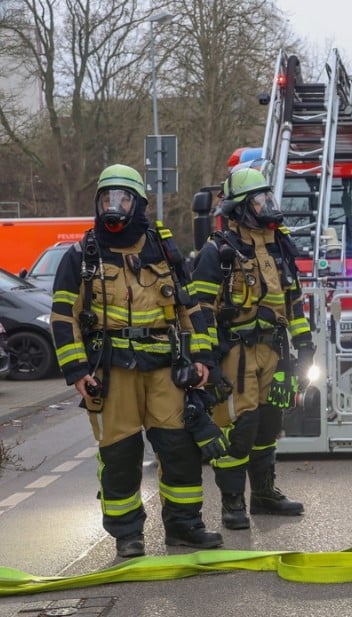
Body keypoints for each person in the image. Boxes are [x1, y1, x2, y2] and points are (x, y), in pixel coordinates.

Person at [50, 164, 223, 557]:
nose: (114, 205)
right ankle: (128, 534)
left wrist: (202, 358)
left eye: (122, 198)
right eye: (106, 197)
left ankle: (184, 526)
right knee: (121, 454)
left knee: (180, 449)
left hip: (164, 368)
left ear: (139, 204)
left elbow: (189, 307)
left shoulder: (162, 249)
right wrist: (77, 370)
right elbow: (63, 316)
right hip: (113, 371)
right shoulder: (82, 255)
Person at [188, 167, 314, 530]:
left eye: (268, 198)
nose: (268, 206)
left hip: (274, 350)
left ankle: (263, 494)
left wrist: (305, 348)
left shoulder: (279, 246)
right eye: (260, 201)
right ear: (242, 208)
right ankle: (232, 503)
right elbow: (201, 312)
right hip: (236, 354)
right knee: (238, 428)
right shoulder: (218, 252)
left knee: (269, 424)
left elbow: (293, 303)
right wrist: (207, 361)